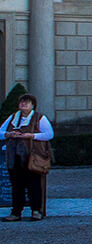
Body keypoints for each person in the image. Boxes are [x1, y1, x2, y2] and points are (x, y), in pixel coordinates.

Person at [4, 92, 54, 222]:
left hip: (32, 156)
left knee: (34, 184)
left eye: (27, 102)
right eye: (22, 102)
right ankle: (16, 212)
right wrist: (9, 134)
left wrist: (31, 136)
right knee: (16, 186)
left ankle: (36, 210)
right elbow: (0, 132)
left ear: (33, 105)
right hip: (15, 157)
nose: (23, 104)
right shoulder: (13, 117)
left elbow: (49, 134)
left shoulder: (39, 118)